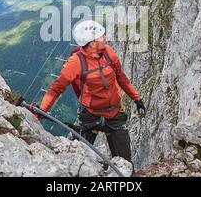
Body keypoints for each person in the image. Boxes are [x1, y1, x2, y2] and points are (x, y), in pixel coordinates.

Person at [37, 20, 146, 164]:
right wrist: (42, 111)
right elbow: (56, 88)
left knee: (125, 164)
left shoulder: (109, 53)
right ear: (92, 43)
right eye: (101, 36)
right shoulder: (75, 62)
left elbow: (121, 77)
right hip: (89, 115)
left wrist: (136, 99)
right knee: (75, 160)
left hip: (114, 113)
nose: (105, 37)